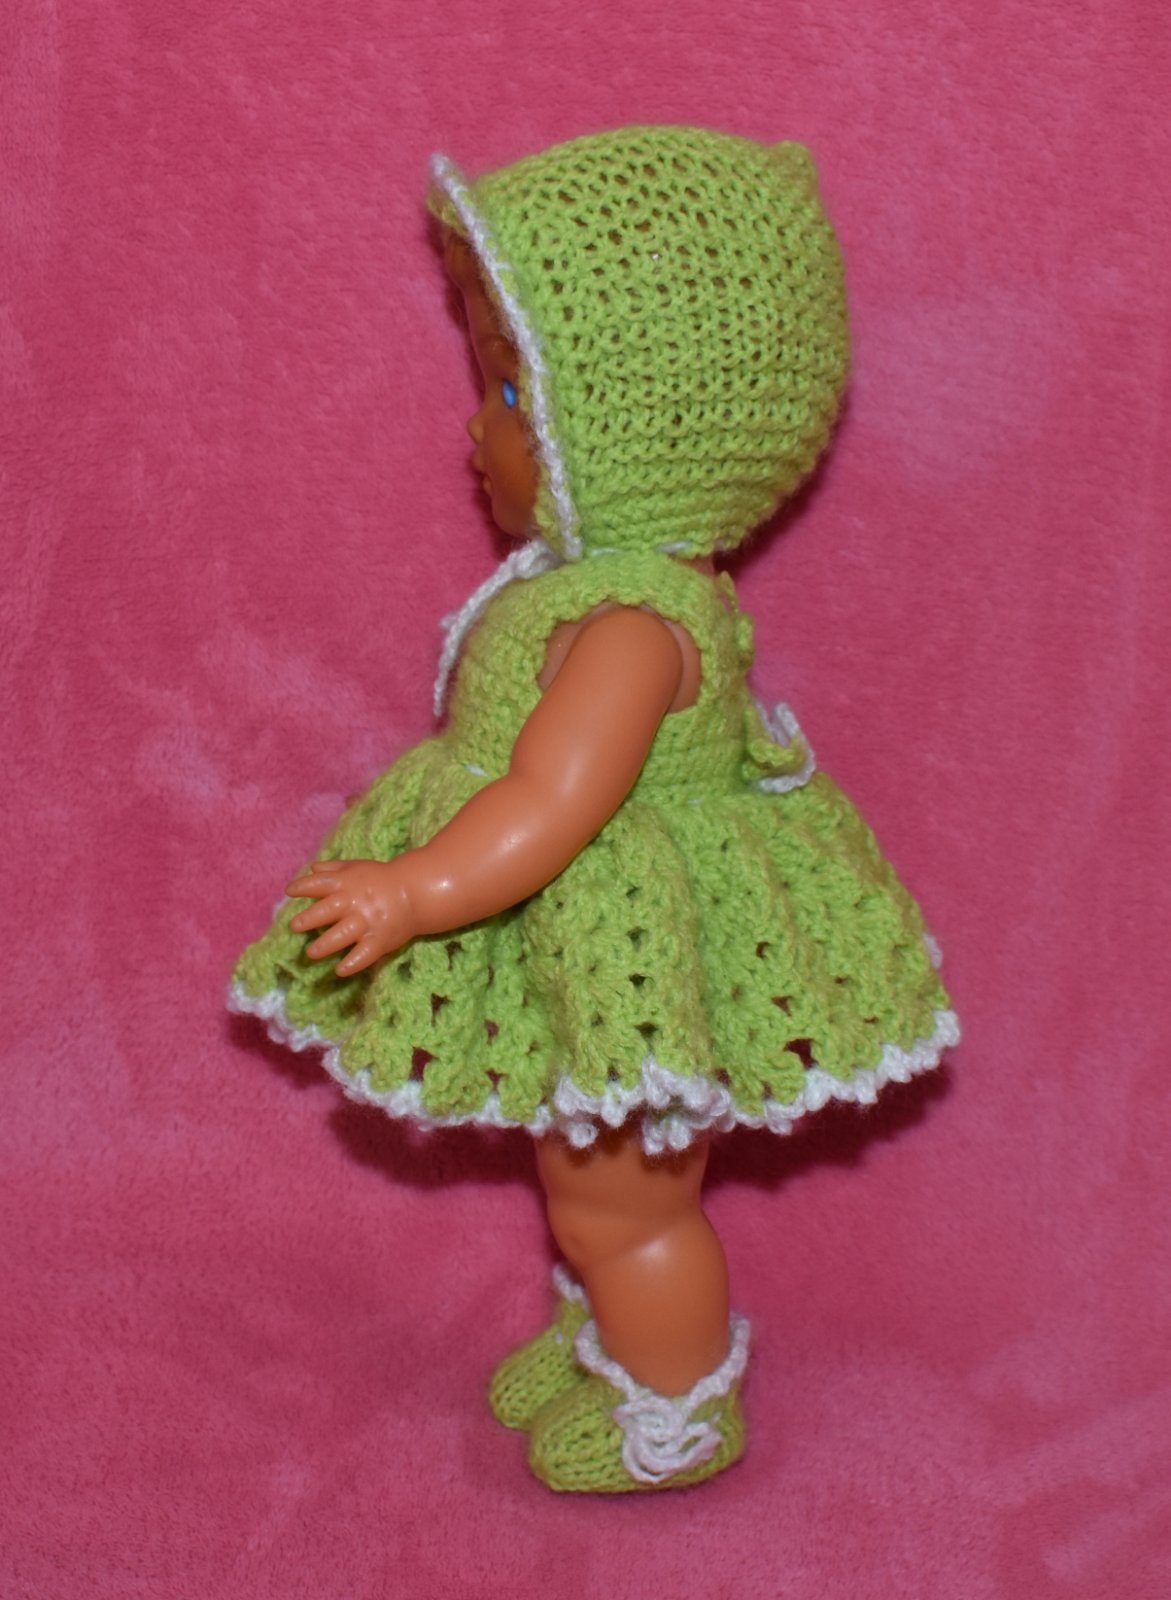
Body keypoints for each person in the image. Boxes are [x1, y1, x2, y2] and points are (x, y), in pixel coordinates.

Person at [229, 125, 959, 1494]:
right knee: (588, 1180)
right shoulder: (578, 593)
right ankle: (612, 1340)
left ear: (631, 434)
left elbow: (553, 800)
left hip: (629, 947)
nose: (478, 425)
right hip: (579, 938)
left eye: (512, 389)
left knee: (623, 1201)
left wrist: (413, 891)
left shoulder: (627, 627)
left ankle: (677, 1407)